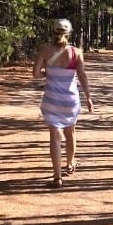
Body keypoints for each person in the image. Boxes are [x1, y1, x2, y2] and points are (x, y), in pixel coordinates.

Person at [33, 19, 93, 188]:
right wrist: (88, 97)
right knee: (70, 132)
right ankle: (70, 163)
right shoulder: (76, 52)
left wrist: (48, 73)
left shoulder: (45, 50)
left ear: (53, 32)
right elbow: (82, 76)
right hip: (70, 101)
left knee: (55, 137)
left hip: (51, 100)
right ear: (69, 33)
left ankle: (57, 177)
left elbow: (36, 73)